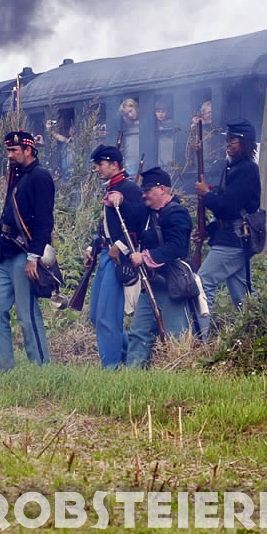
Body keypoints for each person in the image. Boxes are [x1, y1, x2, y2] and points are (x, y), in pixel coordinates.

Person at [0, 131, 55, 375]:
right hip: (5, 253)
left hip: (25, 254)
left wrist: (34, 257)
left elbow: (44, 222)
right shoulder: (16, 175)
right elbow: (5, 218)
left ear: (28, 150)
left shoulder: (40, 176)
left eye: (14, 150)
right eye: (8, 150)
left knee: (27, 317)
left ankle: (42, 371)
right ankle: (1, 371)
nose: (10, 155)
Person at [127, 167, 204, 367]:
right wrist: (114, 199)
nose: (144, 195)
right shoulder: (147, 212)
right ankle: (130, 377)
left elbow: (176, 248)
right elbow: (130, 211)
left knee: (177, 336)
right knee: (138, 333)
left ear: (161, 189)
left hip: (172, 284)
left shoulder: (177, 214)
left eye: (148, 190)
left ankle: (181, 374)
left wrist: (145, 257)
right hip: (151, 282)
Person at [84, 144, 147, 369]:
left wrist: (120, 246)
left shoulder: (128, 189)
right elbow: (106, 225)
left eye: (100, 164)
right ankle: (125, 356)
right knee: (96, 315)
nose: (97, 169)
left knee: (107, 317)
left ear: (114, 164)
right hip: (105, 254)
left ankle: (110, 367)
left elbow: (139, 224)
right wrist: (92, 247)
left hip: (118, 257)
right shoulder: (112, 187)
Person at [194, 118, 261, 311]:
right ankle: (258, 327)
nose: (228, 145)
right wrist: (207, 229)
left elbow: (228, 207)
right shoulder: (232, 168)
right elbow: (226, 209)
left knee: (203, 281)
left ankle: (201, 330)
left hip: (235, 239)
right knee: (243, 298)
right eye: (227, 140)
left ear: (245, 143)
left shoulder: (247, 169)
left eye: (233, 141)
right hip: (231, 237)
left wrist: (206, 194)